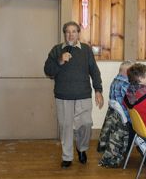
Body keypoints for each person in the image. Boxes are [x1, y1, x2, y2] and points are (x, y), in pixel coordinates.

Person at [44, 21, 104, 168]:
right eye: (68, 32)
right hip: (63, 95)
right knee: (66, 126)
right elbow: (48, 71)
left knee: (86, 124)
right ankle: (67, 157)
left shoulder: (86, 50)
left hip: (83, 94)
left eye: (74, 31)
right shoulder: (57, 50)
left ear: (78, 33)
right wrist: (60, 60)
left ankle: (81, 149)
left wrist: (98, 90)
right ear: (64, 34)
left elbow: (94, 71)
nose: (71, 34)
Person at [97, 61, 133, 167]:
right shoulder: (126, 84)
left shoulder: (115, 80)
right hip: (124, 118)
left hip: (115, 116)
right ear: (127, 72)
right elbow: (131, 102)